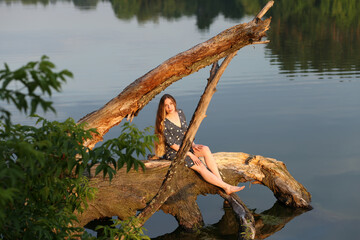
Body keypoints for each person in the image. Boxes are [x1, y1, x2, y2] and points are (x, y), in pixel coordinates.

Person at [155, 94, 245, 195]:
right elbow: (172, 144)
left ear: (174, 103)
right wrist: (190, 154)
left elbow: (186, 132)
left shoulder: (179, 113)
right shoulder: (163, 122)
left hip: (186, 146)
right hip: (175, 152)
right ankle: (227, 187)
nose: (169, 107)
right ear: (162, 107)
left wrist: (193, 145)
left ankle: (220, 182)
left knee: (205, 149)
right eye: (166, 105)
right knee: (201, 166)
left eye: (171, 104)